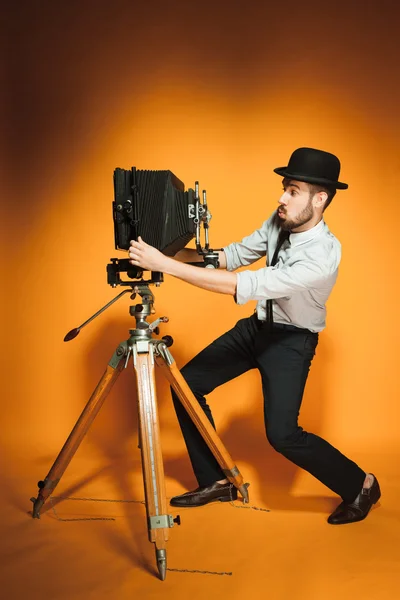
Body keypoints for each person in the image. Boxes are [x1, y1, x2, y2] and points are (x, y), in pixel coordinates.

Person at [128, 147, 380, 525]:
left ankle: (361, 485)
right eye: (284, 188)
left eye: (293, 191)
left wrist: (165, 265)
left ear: (320, 198)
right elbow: (235, 256)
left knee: (283, 436)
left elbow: (244, 283)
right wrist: (168, 251)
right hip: (256, 329)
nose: (282, 197)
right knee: (187, 386)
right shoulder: (282, 221)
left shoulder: (322, 257)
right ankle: (216, 481)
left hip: (291, 342)